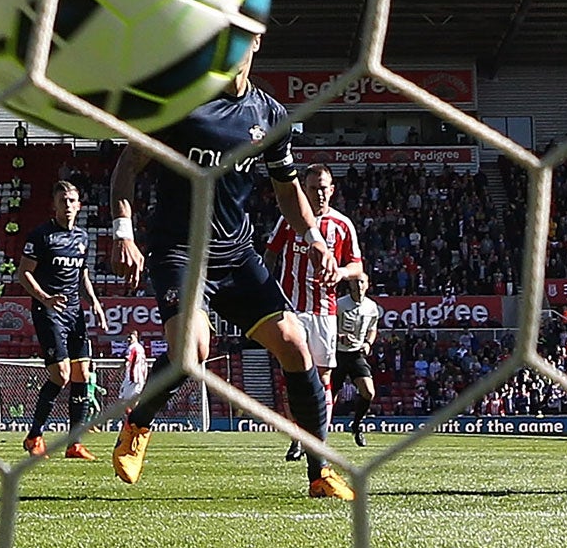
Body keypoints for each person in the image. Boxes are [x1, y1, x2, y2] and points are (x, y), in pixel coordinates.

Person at [108, 47, 352, 499]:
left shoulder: (269, 114)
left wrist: (314, 238)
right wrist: (124, 230)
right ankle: (137, 425)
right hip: (179, 249)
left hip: (236, 255)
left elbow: (288, 191)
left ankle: (320, 473)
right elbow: (128, 164)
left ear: (258, 42)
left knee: (296, 347)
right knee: (191, 351)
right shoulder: (180, 100)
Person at [265, 164, 363, 461]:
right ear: (303, 190)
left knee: (322, 378)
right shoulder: (288, 221)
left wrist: (342, 272)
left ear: (332, 189)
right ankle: (298, 434)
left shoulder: (343, 225)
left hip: (324, 312)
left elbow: (357, 267)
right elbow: (270, 254)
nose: (319, 193)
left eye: (324, 187)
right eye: (313, 188)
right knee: (292, 377)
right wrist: (265, 290)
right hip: (291, 309)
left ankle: (316, 439)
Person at [15, 179, 108, 460]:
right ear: (53, 205)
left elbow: (82, 275)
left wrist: (94, 302)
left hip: (74, 313)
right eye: (62, 201)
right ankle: (34, 436)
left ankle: (74, 444)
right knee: (62, 376)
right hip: (49, 311)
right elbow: (23, 273)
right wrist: (45, 297)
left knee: (83, 374)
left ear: (79, 206)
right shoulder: (41, 236)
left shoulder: (82, 237)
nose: (67, 205)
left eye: (71, 201)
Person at [332, 273, 380, 447]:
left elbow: (372, 329)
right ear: (350, 285)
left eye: (362, 282)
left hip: (356, 354)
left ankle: (357, 425)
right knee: (330, 396)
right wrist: (339, 336)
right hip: (337, 353)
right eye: (355, 282)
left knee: (368, 392)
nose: (359, 285)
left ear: (367, 284)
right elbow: (327, 325)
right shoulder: (339, 304)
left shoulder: (371, 307)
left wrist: (368, 343)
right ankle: (318, 432)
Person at [117, 329, 150, 413]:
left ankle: (131, 421)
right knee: (134, 401)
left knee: (122, 401)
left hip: (133, 378)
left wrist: (121, 368)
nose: (128, 339)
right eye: (127, 337)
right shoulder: (141, 348)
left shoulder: (133, 347)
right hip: (140, 378)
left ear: (136, 336)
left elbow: (128, 359)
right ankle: (135, 420)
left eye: (130, 337)